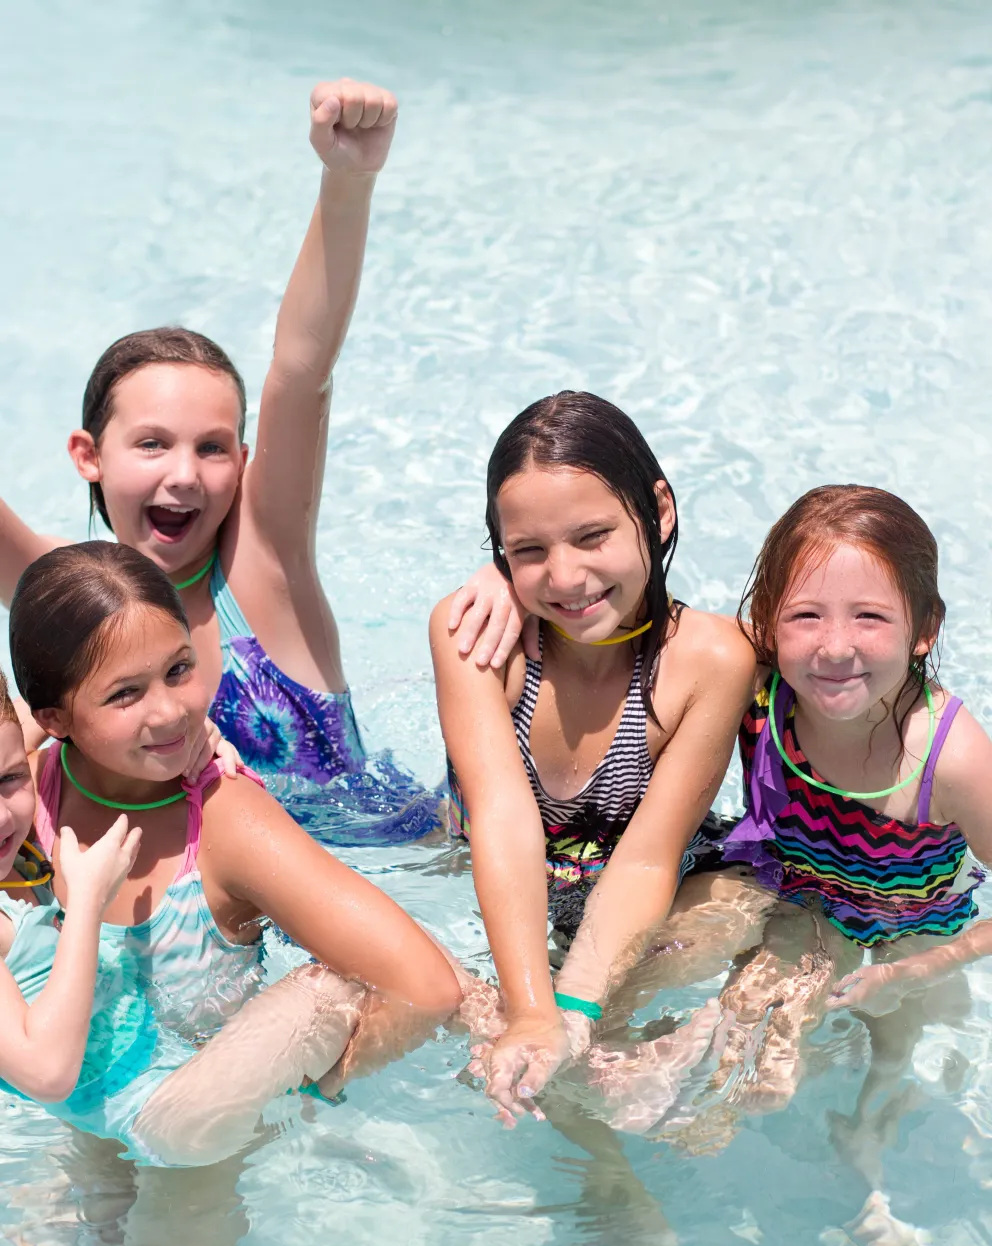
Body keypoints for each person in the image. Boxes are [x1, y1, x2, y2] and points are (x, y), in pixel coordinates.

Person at [0, 77, 505, 844]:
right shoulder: (63, 601)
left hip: (400, 880)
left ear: (242, 462)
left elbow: (303, 369)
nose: (183, 474)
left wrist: (348, 178)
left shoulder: (262, 563)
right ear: (86, 455)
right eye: (151, 444)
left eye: (211, 448)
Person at [9, 542, 463, 1085]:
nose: (172, 711)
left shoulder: (227, 820)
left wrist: (301, 1098)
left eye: (179, 669)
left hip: (204, 1136)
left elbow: (424, 988)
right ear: (54, 717)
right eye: (126, 693)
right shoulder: (24, 795)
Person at [430, 390, 759, 1123]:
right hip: (496, 875)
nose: (568, 577)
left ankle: (594, 1055)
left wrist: (569, 1014)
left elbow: (647, 858)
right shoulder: (481, 640)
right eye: (530, 551)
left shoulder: (710, 660)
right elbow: (503, 824)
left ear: (659, 510)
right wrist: (527, 1008)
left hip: (637, 883)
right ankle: (592, 1076)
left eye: (592, 536)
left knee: (754, 904)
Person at [690, 485, 990, 1246]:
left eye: (870, 616)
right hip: (804, 900)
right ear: (765, 622)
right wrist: (501, 585)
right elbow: (615, 623)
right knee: (748, 1054)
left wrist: (924, 966)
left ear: (925, 631)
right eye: (805, 615)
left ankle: (873, 1191)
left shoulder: (949, 761)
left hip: (912, 926)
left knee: (893, 1059)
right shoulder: (756, 679)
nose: (832, 646)